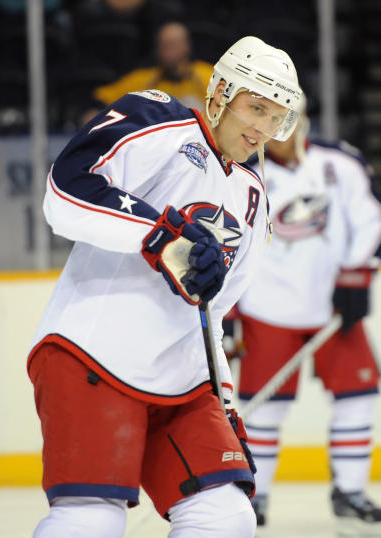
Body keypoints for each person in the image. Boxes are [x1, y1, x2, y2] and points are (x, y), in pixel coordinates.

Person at [27, 35, 303, 538]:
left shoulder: (254, 199)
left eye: (277, 116)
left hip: (182, 382)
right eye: (255, 107)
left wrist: (223, 398)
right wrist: (161, 233)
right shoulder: (159, 121)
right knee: (92, 518)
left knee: (225, 516)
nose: (263, 127)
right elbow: (65, 191)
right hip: (93, 355)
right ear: (220, 92)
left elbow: (213, 314)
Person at [225, 107, 381, 534]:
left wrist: (354, 276)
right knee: (265, 409)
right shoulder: (237, 174)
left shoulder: (339, 163)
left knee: (358, 396)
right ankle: (255, 498)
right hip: (268, 310)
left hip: (332, 308)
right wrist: (229, 313)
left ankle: (349, 492)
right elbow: (231, 244)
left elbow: (369, 220)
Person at [91, 21, 214, 111]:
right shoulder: (142, 79)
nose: (167, 52)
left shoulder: (207, 75)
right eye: (163, 45)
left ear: (186, 46)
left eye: (172, 45)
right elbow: (102, 98)